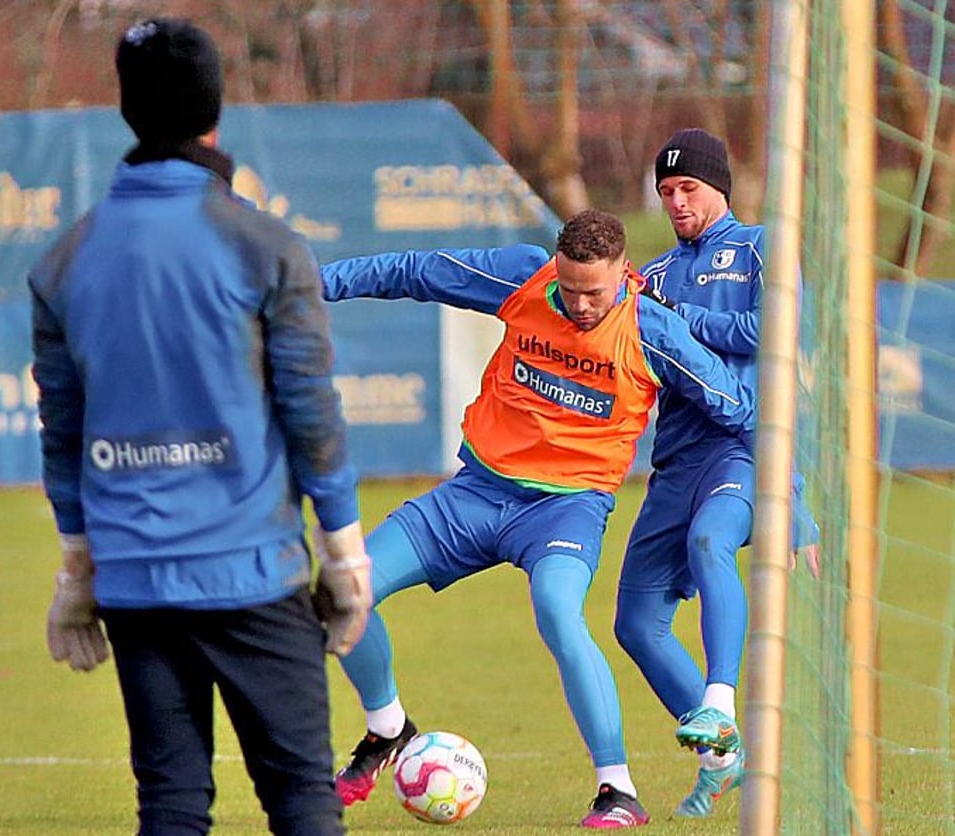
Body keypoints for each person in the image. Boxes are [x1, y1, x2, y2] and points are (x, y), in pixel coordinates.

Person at [29, 18, 371, 836]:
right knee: (302, 799)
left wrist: (77, 569)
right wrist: (344, 552)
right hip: (251, 572)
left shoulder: (64, 259)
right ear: (216, 111)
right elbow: (312, 412)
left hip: (135, 583)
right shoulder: (265, 244)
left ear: (127, 110)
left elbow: (62, 433)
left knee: (172, 805)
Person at [319, 209, 761, 829]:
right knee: (346, 590)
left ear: (624, 274)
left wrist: (792, 503)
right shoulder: (523, 278)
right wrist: (314, 283)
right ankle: (387, 728)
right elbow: (415, 270)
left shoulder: (652, 328)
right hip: (475, 494)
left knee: (558, 609)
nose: (580, 305)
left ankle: (617, 790)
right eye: (570, 288)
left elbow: (738, 408)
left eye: (595, 293)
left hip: (567, 509)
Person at [613, 128, 821, 818]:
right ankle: (727, 759)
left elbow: (772, 331)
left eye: (688, 188)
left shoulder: (762, 248)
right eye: (666, 190)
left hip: (744, 448)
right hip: (675, 463)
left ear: (719, 187)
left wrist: (793, 498)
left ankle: (721, 701)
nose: (676, 201)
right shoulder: (652, 277)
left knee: (711, 541)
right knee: (635, 623)